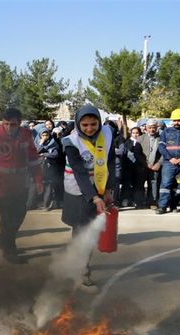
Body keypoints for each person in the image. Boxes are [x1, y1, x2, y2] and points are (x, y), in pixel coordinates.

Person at [61, 105, 116, 293]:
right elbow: (79, 172)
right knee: (80, 229)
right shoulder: (70, 141)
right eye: (85, 125)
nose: (90, 128)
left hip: (100, 186)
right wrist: (92, 197)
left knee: (90, 231)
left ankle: (82, 265)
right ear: (77, 124)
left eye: (94, 124)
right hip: (78, 190)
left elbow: (110, 161)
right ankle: (79, 269)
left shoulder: (108, 133)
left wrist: (109, 188)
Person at [0, 108, 43, 263]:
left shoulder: (26, 136)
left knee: (19, 214)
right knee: (8, 218)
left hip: (21, 185)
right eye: (5, 124)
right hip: (1, 186)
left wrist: (38, 180)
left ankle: (3, 241)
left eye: (13, 124)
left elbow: (33, 159)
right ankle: (10, 250)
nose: (8, 127)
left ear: (19, 123)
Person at [156, 109, 180, 214]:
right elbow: (161, 147)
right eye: (174, 120)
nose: (176, 122)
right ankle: (162, 206)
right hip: (169, 163)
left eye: (179, 120)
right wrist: (170, 158)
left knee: (179, 186)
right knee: (165, 185)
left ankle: (174, 205)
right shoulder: (166, 132)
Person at [36, 127, 64, 210]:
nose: (45, 137)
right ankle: (39, 202)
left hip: (50, 168)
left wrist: (44, 154)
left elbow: (55, 154)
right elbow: (35, 152)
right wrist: (41, 143)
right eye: (43, 135)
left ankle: (46, 204)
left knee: (49, 186)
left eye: (46, 135)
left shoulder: (53, 143)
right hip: (40, 167)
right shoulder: (38, 142)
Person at [123, 127, 148, 209]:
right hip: (128, 168)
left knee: (138, 185)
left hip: (140, 168)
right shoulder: (127, 142)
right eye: (133, 133)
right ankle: (126, 199)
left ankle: (139, 201)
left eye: (137, 133)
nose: (135, 134)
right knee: (127, 184)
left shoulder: (142, 141)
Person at [145, 119, 162, 208]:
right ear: (146, 128)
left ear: (157, 128)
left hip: (155, 166)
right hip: (143, 166)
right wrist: (145, 163)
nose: (152, 129)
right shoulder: (141, 138)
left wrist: (159, 163)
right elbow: (137, 153)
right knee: (139, 184)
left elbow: (164, 152)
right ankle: (140, 201)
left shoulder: (161, 138)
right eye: (150, 127)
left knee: (154, 184)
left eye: (154, 127)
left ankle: (153, 201)